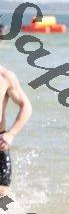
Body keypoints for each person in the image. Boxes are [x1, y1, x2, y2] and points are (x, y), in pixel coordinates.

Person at [0, 65, 32, 195]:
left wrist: (11, 134)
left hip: (0, 143)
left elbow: (26, 106)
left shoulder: (5, 76)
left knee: (3, 192)